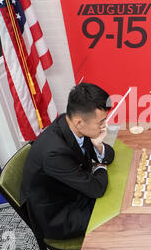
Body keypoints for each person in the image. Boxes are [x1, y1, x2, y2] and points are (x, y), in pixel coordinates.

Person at [20, 83, 115, 240]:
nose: (105, 126)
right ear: (79, 122)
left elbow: (109, 155)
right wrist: (101, 166)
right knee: (116, 216)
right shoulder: (54, 153)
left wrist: (98, 146)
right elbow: (96, 189)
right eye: (101, 122)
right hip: (58, 215)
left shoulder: (70, 124)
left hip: (72, 190)